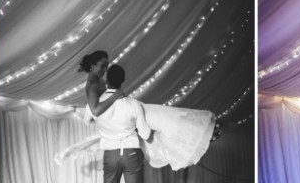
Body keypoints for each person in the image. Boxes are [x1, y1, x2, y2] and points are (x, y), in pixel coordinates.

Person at [64, 50, 219, 171]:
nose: (105, 69)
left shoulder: (99, 82)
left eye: (106, 66)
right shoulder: (92, 86)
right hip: (123, 117)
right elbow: (95, 110)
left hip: (128, 112)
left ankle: (205, 130)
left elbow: (96, 109)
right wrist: (116, 97)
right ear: (92, 66)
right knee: (161, 121)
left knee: (162, 117)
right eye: (102, 66)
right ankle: (204, 131)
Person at [90, 65, 152, 183]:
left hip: (110, 153)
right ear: (123, 80)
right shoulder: (134, 104)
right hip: (131, 153)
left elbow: (88, 118)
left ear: (107, 80)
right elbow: (146, 134)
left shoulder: (96, 102)